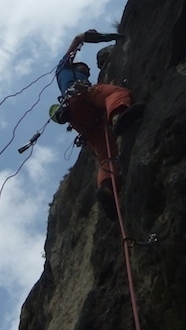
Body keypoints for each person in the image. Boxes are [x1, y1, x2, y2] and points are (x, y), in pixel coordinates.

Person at [50, 30, 144, 220]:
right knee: (115, 93)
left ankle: (107, 188)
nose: (89, 71)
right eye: (85, 68)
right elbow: (77, 39)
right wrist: (94, 36)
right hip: (81, 97)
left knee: (107, 156)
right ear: (75, 65)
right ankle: (119, 117)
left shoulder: (68, 76)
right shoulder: (63, 68)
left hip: (82, 120)